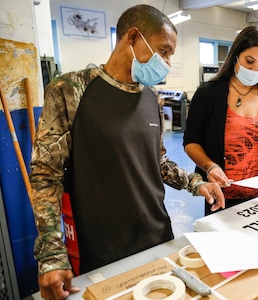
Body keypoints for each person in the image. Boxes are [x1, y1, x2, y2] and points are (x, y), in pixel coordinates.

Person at [29, 5, 225, 299]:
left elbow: (158, 162)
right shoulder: (71, 89)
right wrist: (51, 254)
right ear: (133, 37)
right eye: (164, 51)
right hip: (101, 243)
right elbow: (46, 175)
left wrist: (197, 184)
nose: (168, 62)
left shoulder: (151, 96)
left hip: (156, 233)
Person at [183, 26, 258, 215]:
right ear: (235, 55)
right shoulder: (208, 93)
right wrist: (210, 167)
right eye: (249, 61)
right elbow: (191, 141)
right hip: (221, 197)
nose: (255, 69)